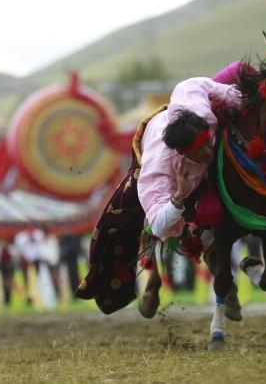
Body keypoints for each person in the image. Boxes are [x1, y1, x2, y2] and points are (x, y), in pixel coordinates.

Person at [76, 64, 252, 316]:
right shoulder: (159, 170)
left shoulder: (192, 95)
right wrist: (179, 196)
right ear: (182, 153)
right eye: (198, 150)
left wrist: (255, 103)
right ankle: (156, 279)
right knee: (184, 215)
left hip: (192, 121)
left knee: (241, 71)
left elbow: (227, 94)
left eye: (206, 143)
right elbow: (159, 224)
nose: (207, 152)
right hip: (160, 167)